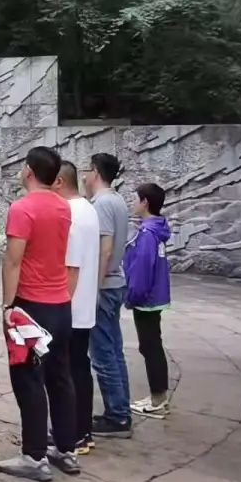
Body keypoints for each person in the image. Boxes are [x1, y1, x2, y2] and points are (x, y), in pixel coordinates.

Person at [0, 147, 80, 482]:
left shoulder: (22, 208)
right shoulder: (63, 207)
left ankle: (34, 456)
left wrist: (7, 306)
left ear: (29, 171)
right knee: (60, 377)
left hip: (31, 307)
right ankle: (66, 448)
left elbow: (13, 260)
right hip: (61, 304)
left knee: (28, 379)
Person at [84, 153, 133, 438]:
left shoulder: (102, 204)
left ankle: (117, 416)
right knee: (114, 350)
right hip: (116, 283)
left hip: (105, 285)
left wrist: (95, 287)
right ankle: (121, 410)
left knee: (102, 354)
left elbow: (104, 249)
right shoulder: (118, 201)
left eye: (87, 171)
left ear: (95, 172)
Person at [53, 160, 100, 455]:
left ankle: (74, 433)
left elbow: (71, 266)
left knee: (69, 372)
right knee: (79, 367)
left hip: (71, 305)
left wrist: (60, 305)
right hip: (83, 304)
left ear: (59, 182)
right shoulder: (87, 208)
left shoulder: (70, 212)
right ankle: (82, 430)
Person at [124, 183, 172, 419]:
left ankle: (158, 400)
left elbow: (142, 270)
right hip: (155, 297)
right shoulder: (156, 229)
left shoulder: (147, 234)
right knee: (152, 345)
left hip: (146, 299)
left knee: (150, 346)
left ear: (145, 202)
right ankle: (157, 396)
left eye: (136, 199)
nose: (133, 203)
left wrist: (132, 297)